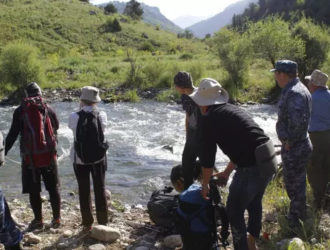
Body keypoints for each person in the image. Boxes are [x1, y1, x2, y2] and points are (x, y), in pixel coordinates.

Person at [189, 78, 276, 250]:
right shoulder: (231, 110)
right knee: (254, 203)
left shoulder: (209, 120)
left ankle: (242, 247)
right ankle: (252, 244)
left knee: (234, 212)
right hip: (268, 158)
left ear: (203, 103)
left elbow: (207, 159)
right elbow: (244, 144)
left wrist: (205, 185)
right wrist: (227, 172)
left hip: (252, 165)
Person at [5, 82, 61, 231]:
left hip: (30, 158)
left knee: (34, 190)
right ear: (40, 93)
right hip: (49, 156)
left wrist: (3, 154)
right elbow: (57, 127)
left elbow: (12, 135)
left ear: (26, 95)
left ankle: (38, 220)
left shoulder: (20, 111)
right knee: (54, 188)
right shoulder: (48, 108)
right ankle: (56, 219)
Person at [271, 60, 312, 228]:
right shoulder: (296, 89)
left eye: (276, 73)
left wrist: (289, 142)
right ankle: (299, 214)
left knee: (295, 185)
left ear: (283, 74)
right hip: (298, 145)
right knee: (296, 183)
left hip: (295, 146)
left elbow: (298, 123)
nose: (275, 76)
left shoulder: (295, 92)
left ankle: (296, 222)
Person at [68, 86, 109, 230]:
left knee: (84, 189)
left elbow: (72, 131)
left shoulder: (74, 116)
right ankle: (103, 221)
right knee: (100, 187)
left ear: (81, 99)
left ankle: (87, 222)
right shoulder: (102, 115)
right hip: (99, 158)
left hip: (79, 159)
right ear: (95, 101)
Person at [305, 69, 330, 210]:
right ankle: (326, 198)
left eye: (309, 81)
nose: (308, 83)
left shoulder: (311, 98)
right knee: (327, 167)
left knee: (315, 169)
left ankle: (317, 202)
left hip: (316, 138)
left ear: (315, 84)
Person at [174, 72, 202, 190]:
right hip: (191, 134)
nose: (175, 88)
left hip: (202, 135)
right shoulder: (184, 96)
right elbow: (188, 115)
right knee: (187, 165)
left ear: (181, 86)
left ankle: (210, 191)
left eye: (175, 85)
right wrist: (187, 135)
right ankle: (188, 193)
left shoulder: (201, 95)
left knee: (206, 163)